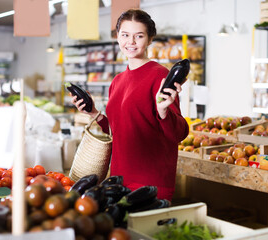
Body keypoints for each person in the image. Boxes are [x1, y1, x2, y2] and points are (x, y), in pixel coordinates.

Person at [71, 8, 189, 201]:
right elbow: (120, 128)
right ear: (118, 37)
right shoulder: (118, 80)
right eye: (125, 35)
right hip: (118, 180)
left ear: (150, 39)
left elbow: (180, 134)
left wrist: (163, 111)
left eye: (139, 36)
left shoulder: (160, 76)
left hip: (151, 183)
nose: (131, 42)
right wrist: (94, 114)